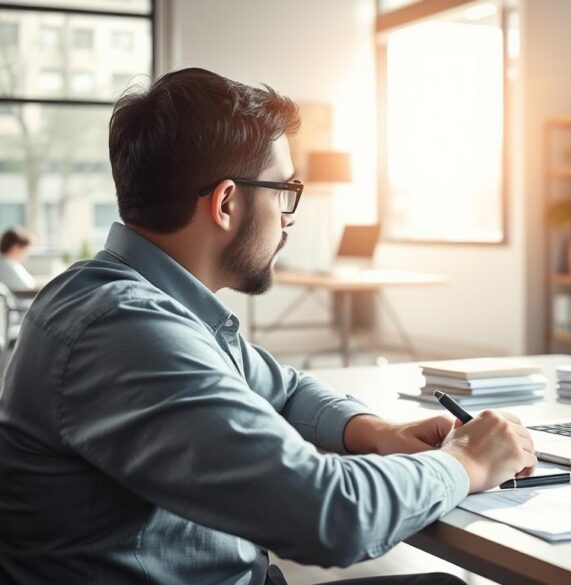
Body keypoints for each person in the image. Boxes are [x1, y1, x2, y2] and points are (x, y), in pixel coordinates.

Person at [0, 68, 536, 585]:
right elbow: (328, 514)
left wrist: (376, 430)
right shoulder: (122, 327)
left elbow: (285, 388)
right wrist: (464, 462)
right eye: (285, 192)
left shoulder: (148, 299)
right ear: (227, 202)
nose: (288, 217)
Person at [0, 226, 36, 292]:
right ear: (15, 247)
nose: (27, 254)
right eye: (26, 249)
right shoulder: (6, 266)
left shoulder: (11, 263)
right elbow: (27, 287)